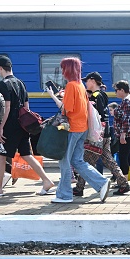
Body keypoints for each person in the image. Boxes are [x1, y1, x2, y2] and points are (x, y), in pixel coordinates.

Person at [45, 57, 110, 203]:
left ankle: (64, 195)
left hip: (72, 129)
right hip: (82, 128)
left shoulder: (71, 86)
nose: (62, 72)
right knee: (77, 160)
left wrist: (60, 98)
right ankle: (101, 183)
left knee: (64, 161)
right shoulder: (80, 85)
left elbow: (67, 109)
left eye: (63, 68)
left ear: (68, 70)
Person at [0, 56, 55, 197]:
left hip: (10, 126)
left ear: (0, 68)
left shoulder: (4, 84)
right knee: (26, 154)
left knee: (0, 155)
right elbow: (26, 107)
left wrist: (0, 127)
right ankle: (47, 180)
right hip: (22, 125)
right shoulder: (21, 83)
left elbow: (6, 107)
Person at [73, 72, 130, 196]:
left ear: (92, 81)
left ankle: (79, 188)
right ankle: (123, 183)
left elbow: (94, 115)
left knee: (85, 161)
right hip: (105, 132)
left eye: (86, 81)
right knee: (108, 160)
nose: (85, 83)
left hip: (97, 133)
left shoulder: (96, 96)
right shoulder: (102, 94)